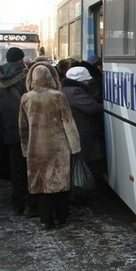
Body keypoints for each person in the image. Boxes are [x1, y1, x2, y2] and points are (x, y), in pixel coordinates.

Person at [19, 62, 81, 228]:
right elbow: (68, 122)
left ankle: (46, 219)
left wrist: (25, 148)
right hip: (58, 147)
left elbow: (23, 126)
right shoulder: (58, 96)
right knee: (59, 183)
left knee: (41, 185)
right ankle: (61, 216)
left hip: (35, 148)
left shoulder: (26, 98)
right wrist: (75, 147)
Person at [0, 47, 28, 215]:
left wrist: (2, 132)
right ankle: (32, 201)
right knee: (31, 166)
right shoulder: (27, 76)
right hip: (28, 129)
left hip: (10, 131)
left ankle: (18, 203)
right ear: (20, 59)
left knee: (16, 168)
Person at [61, 66, 105, 199]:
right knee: (85, 163)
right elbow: (92, 108)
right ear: (81, 81)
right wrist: (107, 106)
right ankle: (81, 193)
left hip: (80, 131)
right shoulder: (75, 92)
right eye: (86, 81)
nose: (88, 83)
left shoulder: (67, 89)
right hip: (82, 132)